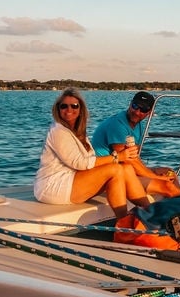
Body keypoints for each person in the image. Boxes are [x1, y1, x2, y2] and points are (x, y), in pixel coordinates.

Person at [36, 89, 150, 218]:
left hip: (72, 178)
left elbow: (88, 159)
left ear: (80, 109)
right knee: (116, 169)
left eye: (74, 106)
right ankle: (126, 220)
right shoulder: (58, 131)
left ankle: (150, 211)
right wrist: (118, 157)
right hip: (53, 187)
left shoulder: (76, 130)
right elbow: (81, 163)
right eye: (64, 106)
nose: (69, 109)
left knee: (125, 168)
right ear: (58, 109)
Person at [91, 91, 180, 199]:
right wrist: (156, 177)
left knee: (169, 172)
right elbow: (126, 160)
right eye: (135, 106)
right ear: (130, 104)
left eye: (143, 110)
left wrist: (153, 174)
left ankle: (179, 203)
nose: (137, 112)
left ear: (149, 113)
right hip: (107, 176)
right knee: (166, 186)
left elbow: (134, 158)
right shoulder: (117, 125)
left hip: (124, 170)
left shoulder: (139, 126)